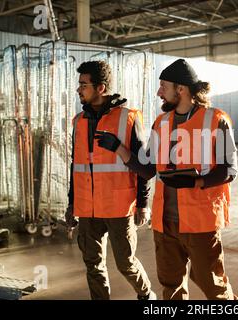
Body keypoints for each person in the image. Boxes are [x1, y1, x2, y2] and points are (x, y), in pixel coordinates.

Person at [115, 59, 238, 300]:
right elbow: (149, 169)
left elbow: (229, 170)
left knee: (212, 285)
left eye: (163, 86)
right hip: (165, 223)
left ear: (180, 89)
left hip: (200, 222)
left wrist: (195, 183)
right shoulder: (160, 123)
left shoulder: (216, 120)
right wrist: (120, 150)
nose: (159, 92)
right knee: (171, 287)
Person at [64, 60, 155, 300]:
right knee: (93, 264)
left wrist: (143, 204)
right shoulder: (78, 121)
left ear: (100, 88)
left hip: (118, 208)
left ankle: (146, 296)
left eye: (84, 84)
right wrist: (72, 203)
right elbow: (77, 166)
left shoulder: (128, 118)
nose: (79, 89)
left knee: (126, 263)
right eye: (79, 84)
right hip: (87, 208)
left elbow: (144, 166)